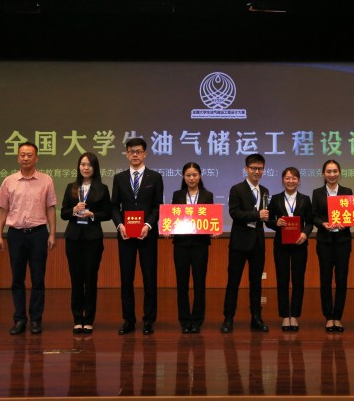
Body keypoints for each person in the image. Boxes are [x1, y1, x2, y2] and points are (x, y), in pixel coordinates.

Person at [0, 141, 57, 335]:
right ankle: (20, 319)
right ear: (18, 158)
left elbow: (51, 208)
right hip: (16, 234)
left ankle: (36, 319)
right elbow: (2, 210)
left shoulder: (46, 180)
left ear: (36, 158)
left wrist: (52, 233)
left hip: (38, 233)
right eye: (22, 155)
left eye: (30, 155)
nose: (26, 158)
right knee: (17, 279)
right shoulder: (9, 181)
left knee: (38, 279)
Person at [111, 137, 164, 336]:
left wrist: (148, 225)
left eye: (138, 151)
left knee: (149, 278)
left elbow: (158, 206)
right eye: (131, 151)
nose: (135, 155)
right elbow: (114, 206)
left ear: (145, 154)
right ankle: (128, 320)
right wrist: (120, 225)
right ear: (127, 154)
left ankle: (149, 320)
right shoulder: (119, 178)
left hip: (147, 235)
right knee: (126, 279)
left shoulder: (155, 177)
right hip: (126, 235)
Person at [60, 152, 111, 335]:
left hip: (93, 239)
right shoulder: (71, 187)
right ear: (79, 167)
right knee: (76, 279)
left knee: (90, 279)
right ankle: (77, 319)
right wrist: (73, 210)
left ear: (95, 168)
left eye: (89, 165)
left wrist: (93, 215)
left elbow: (108, 213)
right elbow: (63, 213)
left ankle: (88, 319)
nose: (86, 168)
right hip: (73, 238)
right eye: (83, 164)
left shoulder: (102, 188)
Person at [220, 153, 270, 333]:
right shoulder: (237, 189)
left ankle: (256, 318)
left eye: (260, 168)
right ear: (246, 169)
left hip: (258, 243)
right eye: (253, 168)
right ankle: (228, 318)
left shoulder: (264, 190)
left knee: (256, 283)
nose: (257, 171)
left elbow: (266, 216)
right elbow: (234, 213)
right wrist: (256, 215)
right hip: (239, 243)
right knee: (233, 282)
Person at [170, 162, 217, 334]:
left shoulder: (207, 195)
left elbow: (210, 219)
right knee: (181, 283)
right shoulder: (177, 195)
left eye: (194, 175)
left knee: (199, 283)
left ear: (200, 176)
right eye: (188, 175)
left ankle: (197, 321)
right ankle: (184, 321)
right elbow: (172, 218)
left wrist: (213, 229)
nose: (191, 178)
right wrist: (168, 229)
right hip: (181, 244)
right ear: (183, 177)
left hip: (200, 245)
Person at [266, 167, 313, 332]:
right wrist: (276, 223)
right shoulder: (276, 199)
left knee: (298, 280)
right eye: (287, 178)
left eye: (294, 178)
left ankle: (295, 315)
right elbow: (268, 220)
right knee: (282, 280)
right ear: (282, 180)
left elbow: (310, 221)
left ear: (298, 180)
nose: (290, 181)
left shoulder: (305, 199)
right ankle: (285, 315)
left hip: (300, 244)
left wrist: (305, 233)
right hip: (281, 245)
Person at [311, 159, 353, 333]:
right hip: (325, 242)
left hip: (343, 241)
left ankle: (338, 317)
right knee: (326, 279)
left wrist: (346, 222)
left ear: (339, 173)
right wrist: (323, 224)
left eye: (335, 171)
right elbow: (313, 216)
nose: (332, 174)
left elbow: (353, 214)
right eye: (329, 171)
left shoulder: (347, 192)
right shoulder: (317, 193)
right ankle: (328, 317)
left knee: (342, 279)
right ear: (323, 174)